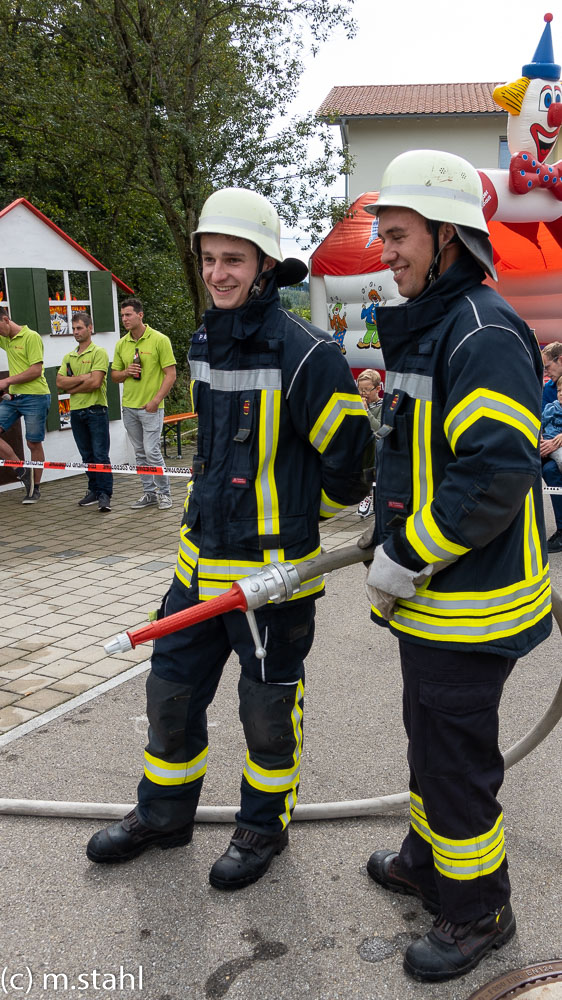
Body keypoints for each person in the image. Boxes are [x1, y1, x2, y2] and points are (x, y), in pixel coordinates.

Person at [87, 188, 373, 889]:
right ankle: (163, 816)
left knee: (267, 711)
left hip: (269, 584)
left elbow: (352, 462)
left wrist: (297, 525)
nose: (219, 272)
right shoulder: (205, 337)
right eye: (210, 259)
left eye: (234, 259)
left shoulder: (308, 356)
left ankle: (260, 829)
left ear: (266, 264)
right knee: (170, 696)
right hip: (196, 571)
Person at [358, 150, 551, 983]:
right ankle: (427, 860)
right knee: (428, 742)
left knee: (455, 762)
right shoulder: (432, 323)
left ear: (446, 237)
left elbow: (497, 471)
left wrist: (407, 553)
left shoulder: (480, 331)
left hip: (470, 606)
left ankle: (480, 912)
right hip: (433, 603)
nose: (384, 252)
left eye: (397, 235)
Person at [111, 297, 176, 510]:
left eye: (128, 314)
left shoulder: (159, 339)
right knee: (139, 453)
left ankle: (165, 494)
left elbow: (171, 374)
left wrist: (156, 401)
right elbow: (114, 376)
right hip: (129, 407)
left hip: (151, 407)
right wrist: (125, 372)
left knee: (152, 451)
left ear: (140, 315)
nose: (124, 319)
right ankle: (149, 494)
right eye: (122, 316)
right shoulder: (122, 343)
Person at [56, 313, 113, 513]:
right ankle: (93, 490)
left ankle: (105, 494)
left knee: (100, 455)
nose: (76, 332)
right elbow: (59, 382)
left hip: (96, 410)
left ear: (90, 328)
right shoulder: (69, 356)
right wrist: (83, 378)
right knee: (86, 455)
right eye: (73, 329)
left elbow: (96, 382)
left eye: (79, 328)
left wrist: (72, 387)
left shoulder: (99, 352)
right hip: (77, 411)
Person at [0, 306, 51, 504]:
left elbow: (36, 370)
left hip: (36, 396)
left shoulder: (31, 337)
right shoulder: (6, 338)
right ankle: (21, 469)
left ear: (6, 320)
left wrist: (7, 381)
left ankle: (34, 489)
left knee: (33, 443)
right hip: (14, 399)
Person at [540, 344, 562, 552]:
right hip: (551, 447)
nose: (546, 372)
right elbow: (543, 419)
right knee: (546, 469)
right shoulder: (548, 389)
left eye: (547, 367)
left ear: (560, 360)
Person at [356, 369, 382, 518]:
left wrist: (366, 411)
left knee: (374, 473)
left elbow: (378, 428)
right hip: (362, 448)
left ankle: (372, 497)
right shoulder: (357, 404)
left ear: (377, 388)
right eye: (360, 390)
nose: (363, 393)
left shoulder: (381, 405)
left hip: (377, 447)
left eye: (367, 389)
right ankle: (365, 495)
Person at [541, 374, 562, 472]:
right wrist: (539, 436)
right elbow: (540, 423)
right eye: (559, 390)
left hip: (558, 446)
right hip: (545, 442)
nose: (561, 393)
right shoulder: (551, 408)